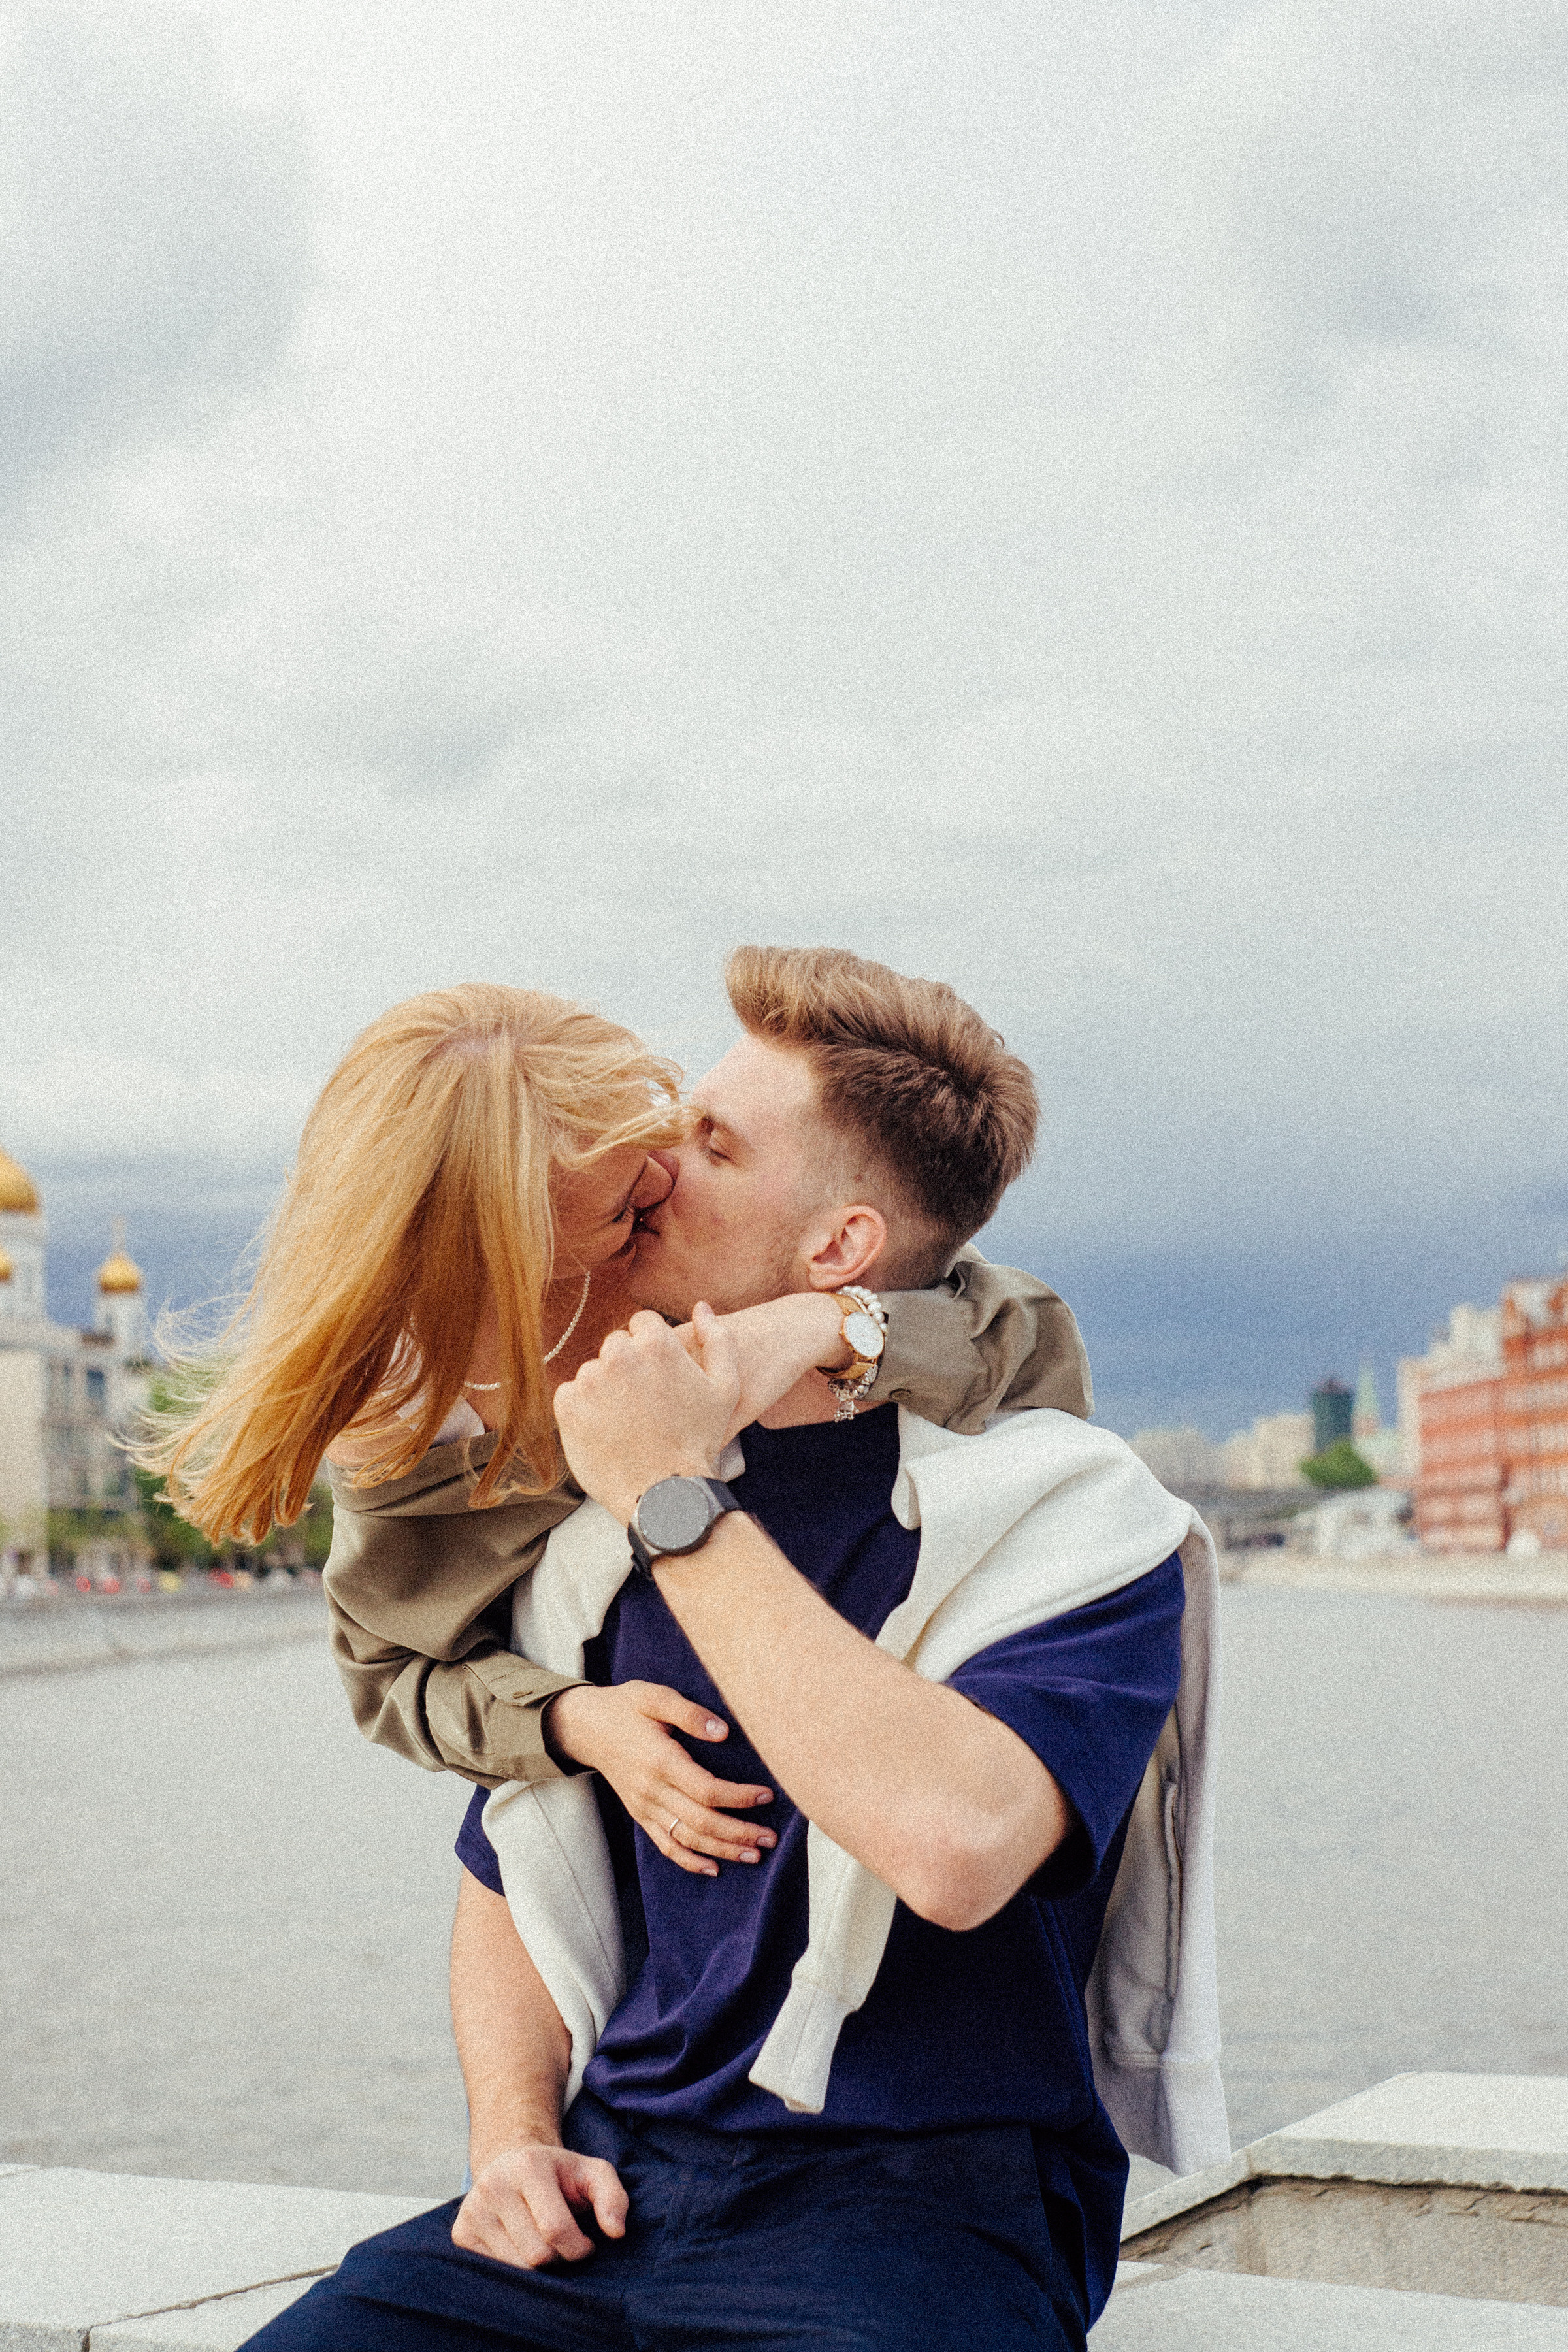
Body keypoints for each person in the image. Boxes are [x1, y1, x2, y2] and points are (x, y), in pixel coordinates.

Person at [242, 947, 1225, 2352]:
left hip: (925, 2206)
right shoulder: (564, 1527)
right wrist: (513, 2141)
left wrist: (678, 1496)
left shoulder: (1070, 1513)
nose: (657, 1164)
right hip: (614, 2183)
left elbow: (953, 1846)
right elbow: (513, 1859)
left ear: (836, 1249)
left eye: (705, 1142)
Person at [138, 979, 1091, 1864]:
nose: (666, 1183)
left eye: (666, 1136)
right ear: (511, 1253)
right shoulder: (406, 1421)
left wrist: (821, 1324)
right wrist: (570, 1722)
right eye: (623, 1211)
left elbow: (1027, 1336)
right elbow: (390, 1679)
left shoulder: (689, 1280)